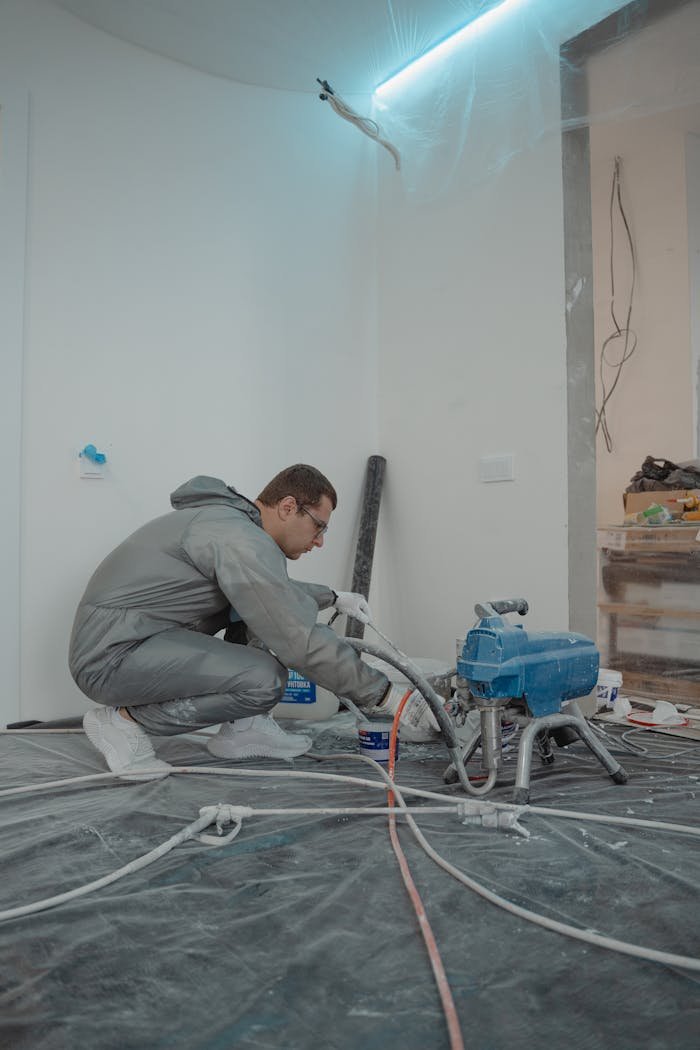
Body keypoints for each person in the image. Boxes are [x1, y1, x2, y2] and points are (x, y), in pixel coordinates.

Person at [69, 465, 394, 780]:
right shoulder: (238, 537)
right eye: (318, 526)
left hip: (132, 640)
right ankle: (123, 722)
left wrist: (333, 597)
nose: (319, 540)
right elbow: (298, 638)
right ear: (288, 507)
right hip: (111, 656)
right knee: (265, 679)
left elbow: (270, 591)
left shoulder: (230, 526)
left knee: (251, 616)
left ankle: (244, 728)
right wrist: (384, 695)